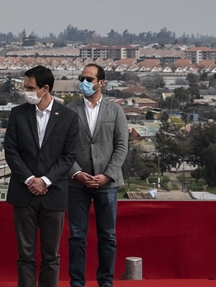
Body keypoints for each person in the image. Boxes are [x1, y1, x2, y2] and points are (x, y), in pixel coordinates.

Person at [3, 66, 80, 287]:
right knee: (25, 254)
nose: (26, 91)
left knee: (51, 255)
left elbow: (68, 156)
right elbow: (11, 151)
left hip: (53, 194)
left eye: (30, 88)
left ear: (45, 88)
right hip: (23, 193)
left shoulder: (68, 117)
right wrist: (30, 180)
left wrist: (45, 181)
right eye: (25, 86)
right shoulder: (18, 113)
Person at [65, 63, 129, 287]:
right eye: (82, 78)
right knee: (76, 238)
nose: (84, 82)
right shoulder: (70, 111)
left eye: (89, 79)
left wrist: (108, 175)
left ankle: (105, 282)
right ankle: (77, 283)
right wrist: (77, 173)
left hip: (107, 184)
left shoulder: (116, 110)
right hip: (77, 184)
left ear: (101, 83)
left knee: (108, 237)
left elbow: (122, 145)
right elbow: (63, 148)